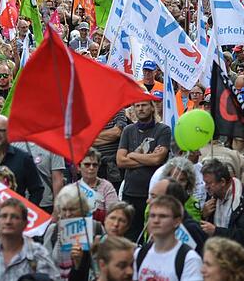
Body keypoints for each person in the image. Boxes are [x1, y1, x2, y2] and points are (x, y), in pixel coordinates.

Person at [117, 100, 171, 240]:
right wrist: (149, 158)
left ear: (152, 108)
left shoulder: (163, 130)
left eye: (144, 105)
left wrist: (133, 155)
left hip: (153, 194)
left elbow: (157, 160)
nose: (140, 109)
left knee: (153, 236)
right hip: (130, 192)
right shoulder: (128, 130)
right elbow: (121, 161)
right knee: (130, 236)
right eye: (137, 106)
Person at [0, 198, 59, 281]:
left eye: (14, 217)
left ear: (25, 223)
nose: (8, 221)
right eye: (4, 216)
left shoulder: (38, 254)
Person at [198, 160, 244, 263]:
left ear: (222, 182)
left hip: (239, 263)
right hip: (218, 260)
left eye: (209, 183)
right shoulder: (212, 196)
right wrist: (203, 215)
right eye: (205, 183)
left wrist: (216, 231)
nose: (206, 187)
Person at [133, 193, 203, 281]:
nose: (156, 220)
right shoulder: (140, 254)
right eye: (152, 216)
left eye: (163, 216)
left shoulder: (189, 259)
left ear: (177, 221)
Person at [43, 184, 104, 281]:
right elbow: (45, 267)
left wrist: (85, 258)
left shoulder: (96, 228)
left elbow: (102, 268)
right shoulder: (53, 230)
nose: (67, 214)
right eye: (64, 209)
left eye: (72, 209)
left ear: (83, 208)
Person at [76, 148, 119, 220]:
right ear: (79, 167)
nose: (91, 168)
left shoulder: (107, 186)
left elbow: (113, 213)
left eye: (95, 165)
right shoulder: (73, 188)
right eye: (87, 164)